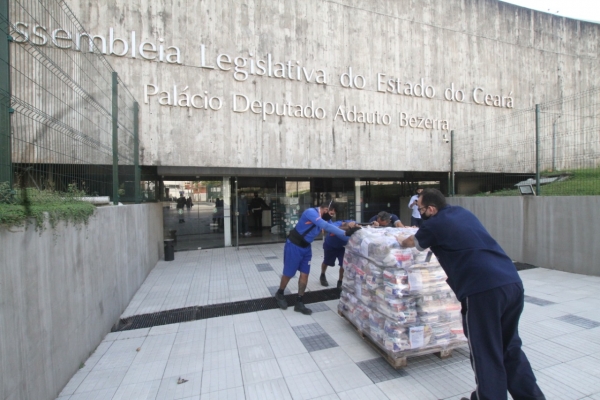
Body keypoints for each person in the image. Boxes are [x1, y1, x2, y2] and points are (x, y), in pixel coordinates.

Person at [397, 189, 545, 400]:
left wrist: (401, 239)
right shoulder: (461, 212)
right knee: (509, 347)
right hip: (511, 282)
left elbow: (414, 242)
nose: (419, 214)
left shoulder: (435, 224)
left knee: (486, 352)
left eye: (420, 209)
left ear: (431, 209)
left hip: (483, 291)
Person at [275, 201, 361, 315]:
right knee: (289, 273)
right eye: (330, 213)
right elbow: (325, 226)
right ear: (325, 209)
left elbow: (334, 226)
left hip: (306, 247)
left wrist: (352, 224)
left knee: (305, 273)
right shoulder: (310, 212)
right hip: (294, 245)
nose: (331, 216)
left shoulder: (326, 219)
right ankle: (280, 293)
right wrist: (345, 233)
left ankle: (299, 301)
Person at [319, 203, 357, 290]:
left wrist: (354, 223)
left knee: (343, 264)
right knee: (326, 262)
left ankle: (340, 282)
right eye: (331, 211)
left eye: (334, 212)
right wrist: (347, 228)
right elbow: (338, 231)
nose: (333, 212)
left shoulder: (347, 222)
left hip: (341, 247)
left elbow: (358, 224)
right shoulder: (335, 225)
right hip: (330, 246)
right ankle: (322, 274)